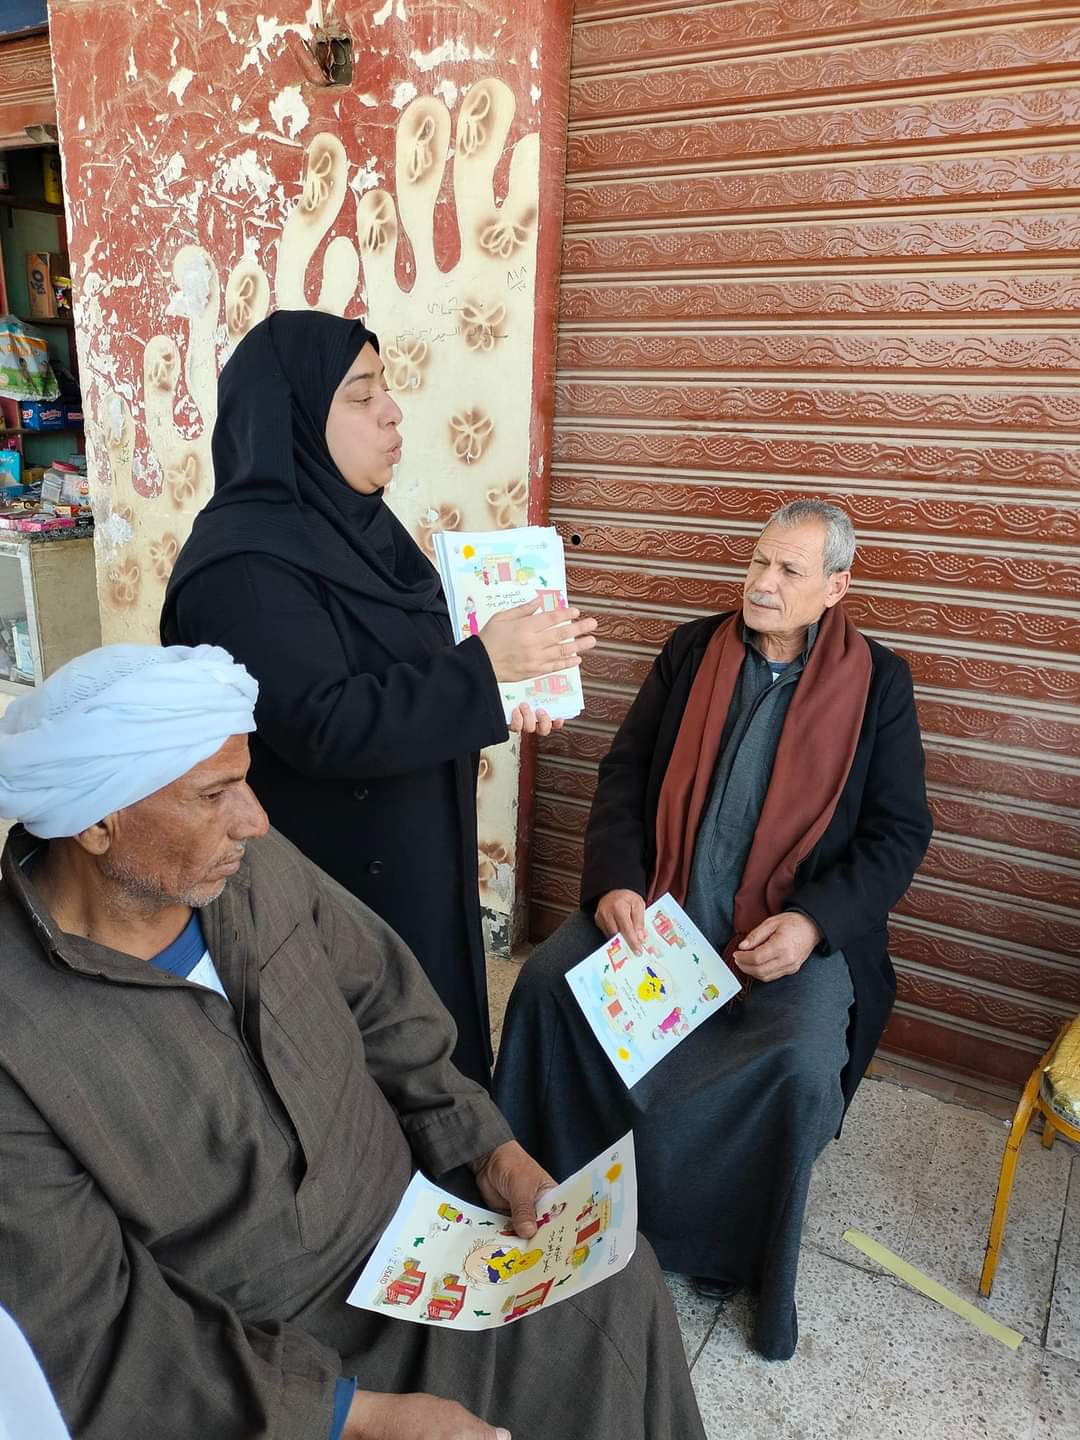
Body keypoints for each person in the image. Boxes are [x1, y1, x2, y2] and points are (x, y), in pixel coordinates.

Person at [0, 643, 703, 1440]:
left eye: (245, 781)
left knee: (619, 1284)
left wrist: (487, 1150)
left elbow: (383, 1000)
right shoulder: (17, 1045)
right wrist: (347, 1417)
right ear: (98, 822)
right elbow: (93, 1330)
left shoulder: (251, 870)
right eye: (216, 794)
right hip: (265, 1354)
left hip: (413, 1233)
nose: (256, 820)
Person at [494, 499, 933, 1361]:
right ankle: (534, 1186)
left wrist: (812, 923)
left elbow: (898, 833)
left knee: (799, 1061)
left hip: (783, 939)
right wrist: (616, 883)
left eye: (789, 570)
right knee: (547, 985)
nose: (762, 582)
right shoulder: (694, 651)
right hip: (665, 907)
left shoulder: (879, 684)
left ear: (836, 588)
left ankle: (720, 1247)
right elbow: (625, 775)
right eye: (759, 560)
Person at [160, 310, 596, 1088]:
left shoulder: (363, 533)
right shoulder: (243, 568)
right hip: (333, 883)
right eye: (362, 396)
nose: (393, 411)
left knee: (435, 1037)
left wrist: (503, 686)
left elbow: (411, 668)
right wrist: (481, 671)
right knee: (369, 1070)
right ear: (292, 417)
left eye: (386, 390)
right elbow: (324, 723)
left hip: (416, 850)